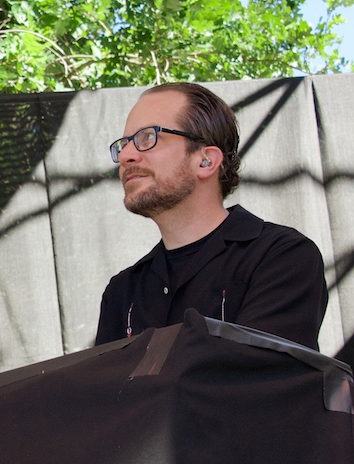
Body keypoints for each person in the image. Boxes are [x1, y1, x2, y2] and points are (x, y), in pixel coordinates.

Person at [95, 82, 328, 351]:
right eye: (123, 145)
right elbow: (103, 390)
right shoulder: (123, 291)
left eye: (147, 137)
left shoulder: (281, 257)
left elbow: (261, 380)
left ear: (206, 161)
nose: (125, 155)